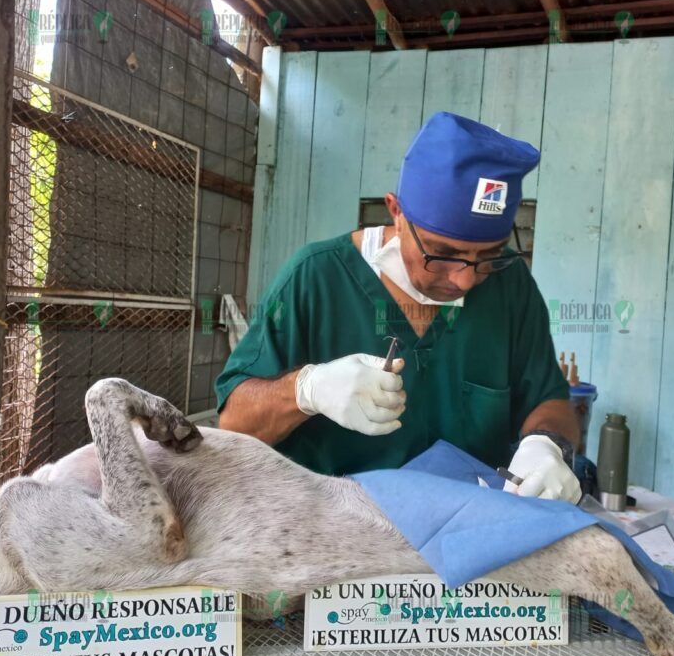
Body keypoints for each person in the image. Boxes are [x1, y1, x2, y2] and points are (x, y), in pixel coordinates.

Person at [215, 111, 581, 502]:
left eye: (488, 256)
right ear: (396, 212)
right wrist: (306, 389)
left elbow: (550, 399)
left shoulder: (511, 287)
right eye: (443, 254)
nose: (465, 280)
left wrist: (547, 444)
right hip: (334, 535)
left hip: (469, 528)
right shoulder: (315, 278)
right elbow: (233, 425)